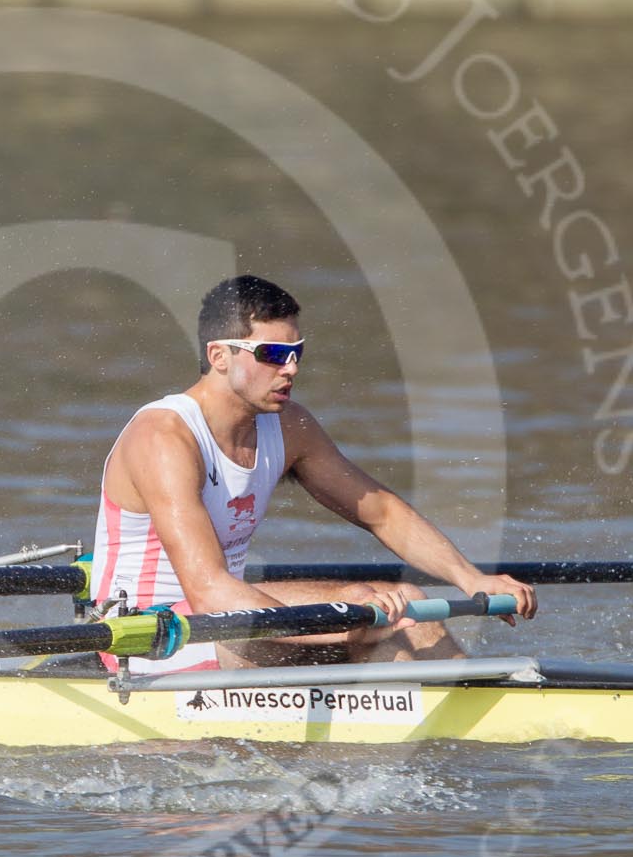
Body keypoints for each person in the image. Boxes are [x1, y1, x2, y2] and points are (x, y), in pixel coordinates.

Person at [89, 273, 537, 673]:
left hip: (229, 621)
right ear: (219, 356)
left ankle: (459, 725)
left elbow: (380, 511)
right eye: (273, 354)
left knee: (409, 607)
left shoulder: (289, 426)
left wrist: (471, 578)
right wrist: (347, 626)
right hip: (152, 638)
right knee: (375, 609)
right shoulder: (163, 437)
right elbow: (209, 590)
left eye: (297, 352)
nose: (291, 369)